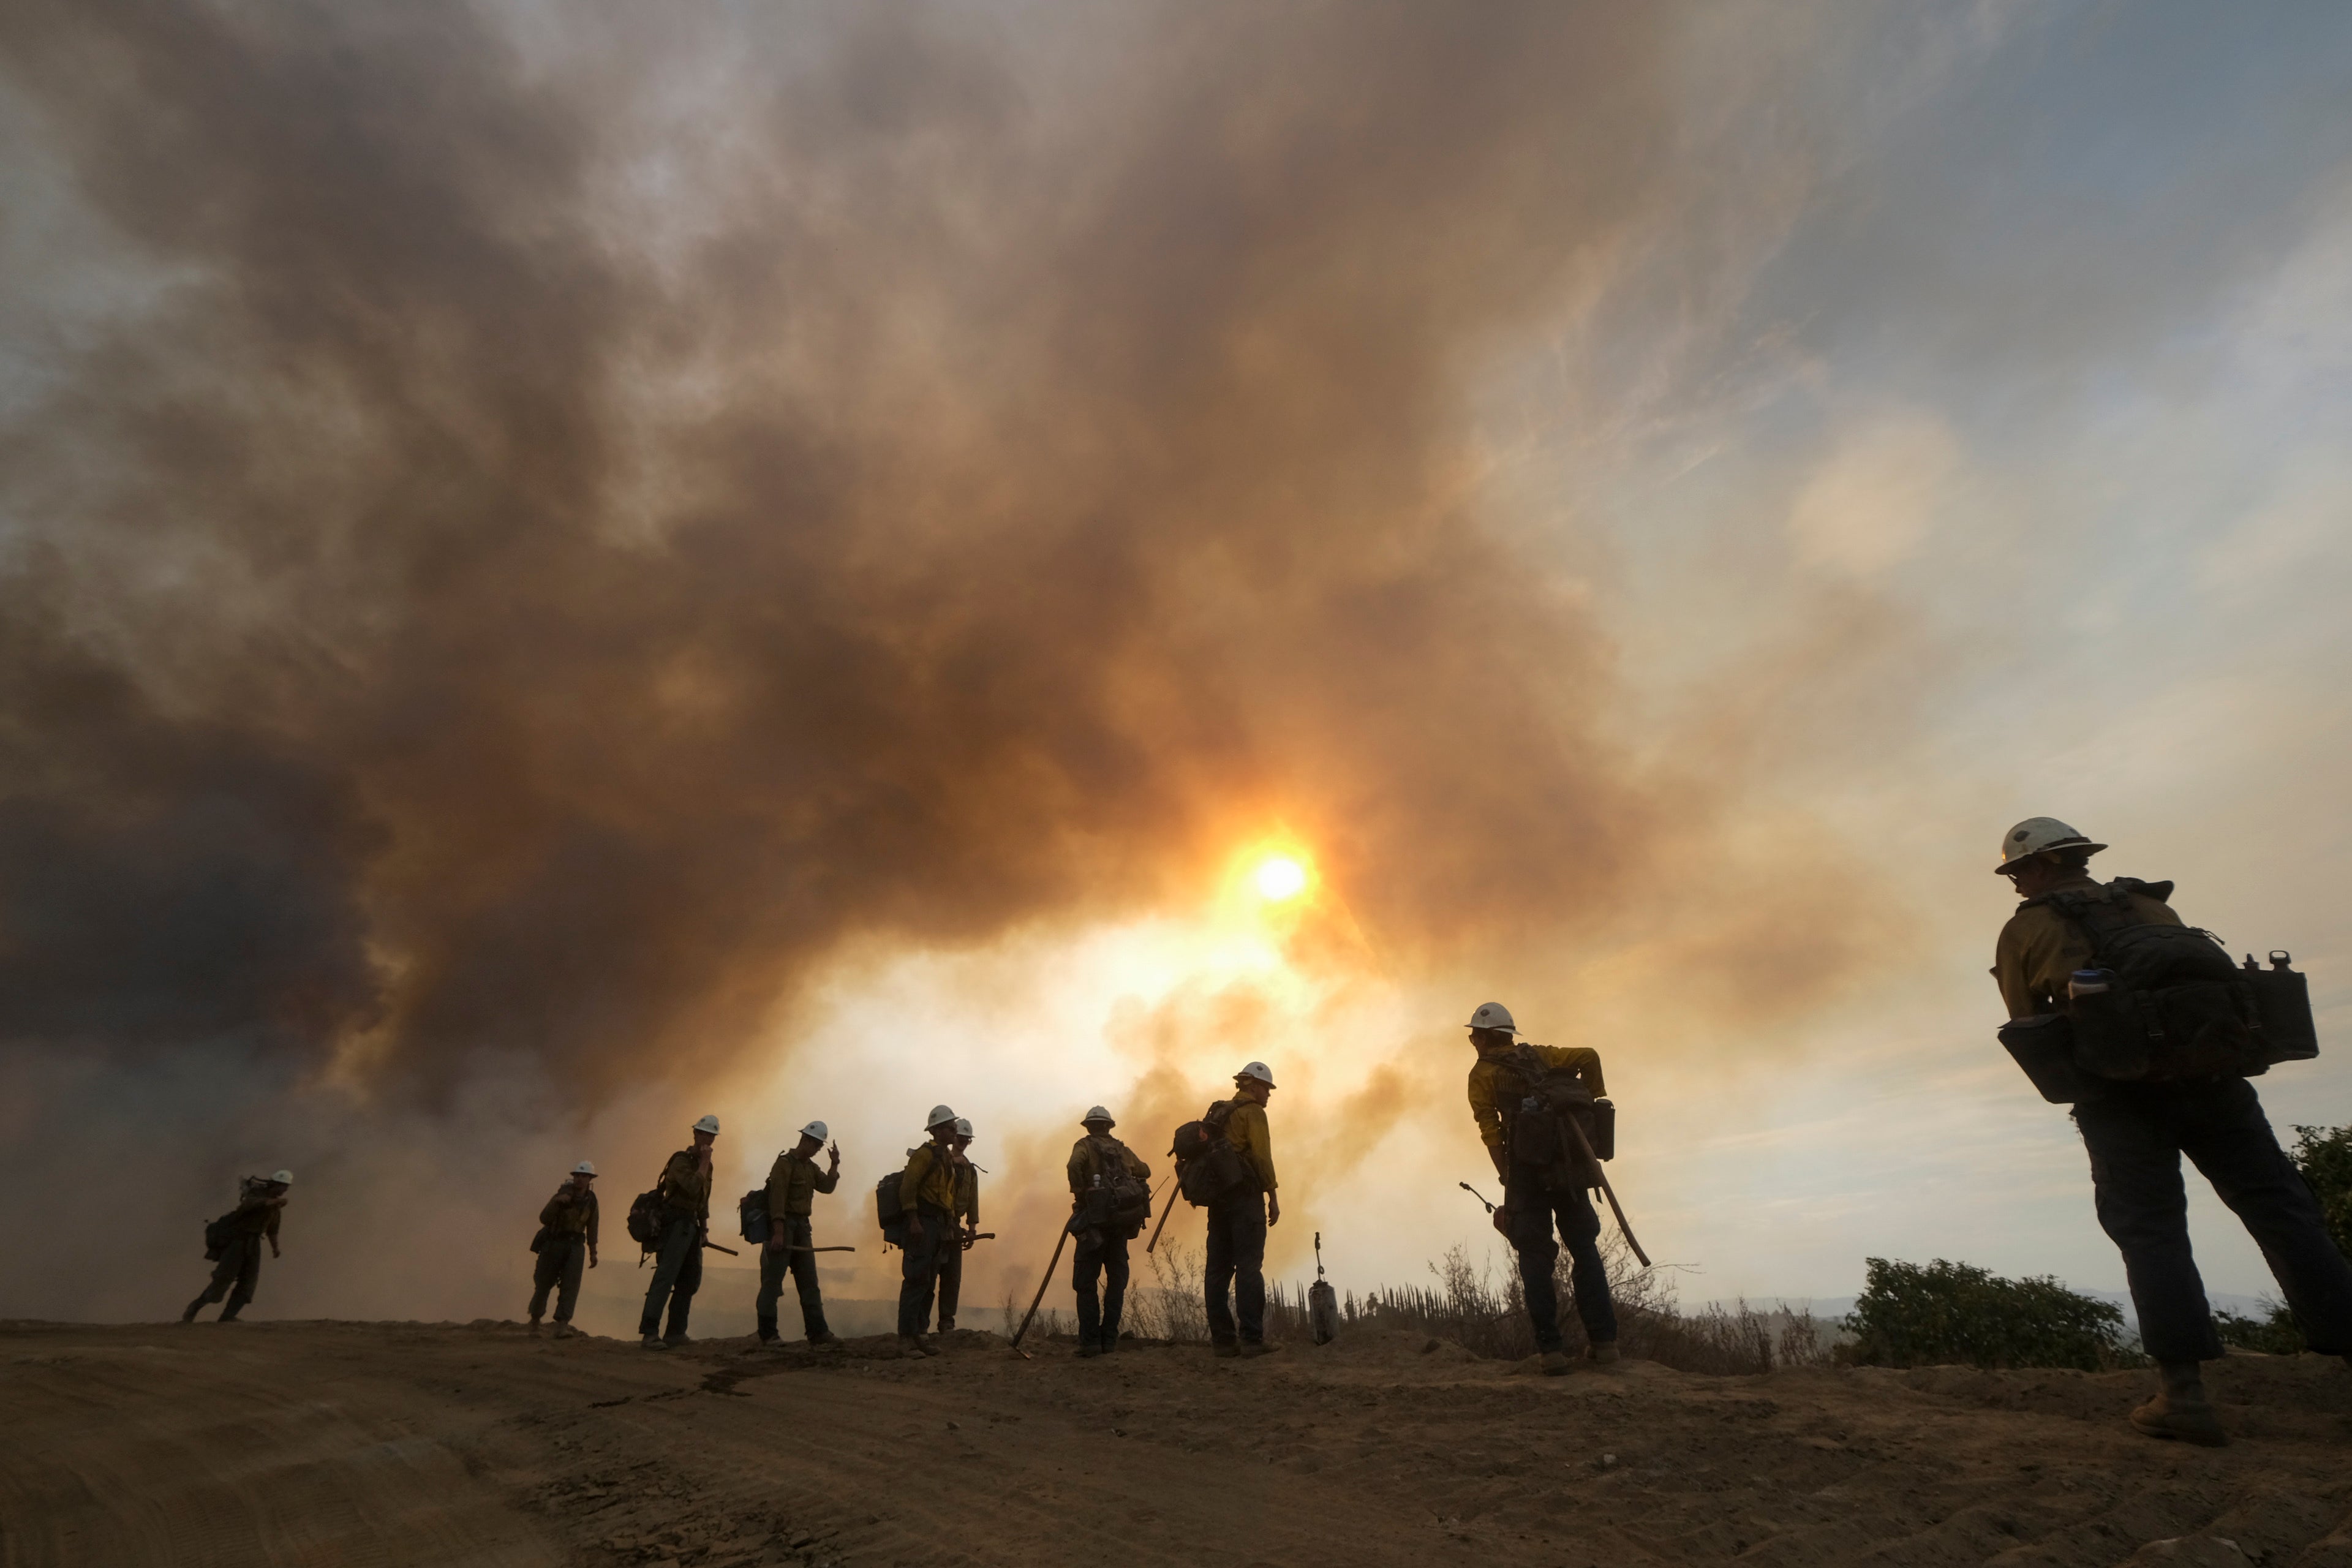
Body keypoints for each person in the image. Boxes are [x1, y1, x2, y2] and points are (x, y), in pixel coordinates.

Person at [1992, 816, 2352, 1446]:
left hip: (2122, 1100)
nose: (2017, 883)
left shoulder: (2027, 929)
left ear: (2045, 866)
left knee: (2151, 1232)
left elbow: (2028, 1023)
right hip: (2218, 1086)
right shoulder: (2153, 904)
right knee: (2286, 1214)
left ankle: (2183, 1395)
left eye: (2019, 870)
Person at [1465, 1001, 1619, 1376]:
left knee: (1535, 1258)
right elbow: (1589, 1055)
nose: (1471, 1040)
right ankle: (1605, 1346)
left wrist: (1507, 1175)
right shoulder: (1543, 1057)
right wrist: (1597, 1098)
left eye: (1474, 1035)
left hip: (1526, 1174)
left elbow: (1490, 1130)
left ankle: (1551, 1353)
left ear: (1487, 1037)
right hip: (1569, 1166)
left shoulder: (1482, 1074)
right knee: (1584, 1249)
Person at [1205, 1061, 1281, 1359]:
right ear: (1251, 1086)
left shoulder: (1219, 1113)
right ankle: (1251, 1339)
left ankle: (1223, 1342)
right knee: (1249, 1268)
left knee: (1217, 1271)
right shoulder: (1253, 1113)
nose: (1269, 1095)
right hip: (1246, 1199)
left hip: (1218, 1201)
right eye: (1266, 1088)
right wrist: (1273, 1197)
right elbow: (1262, 1157)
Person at [1067, 1105, 1150, 1358]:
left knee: (1085, 1283)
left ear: (1089, 1126)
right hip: (1118, 1227)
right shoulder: (1121, 1149)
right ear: (1109, 1126)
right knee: (1116, 1283)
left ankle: (1091, 1343)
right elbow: (1145, 1170)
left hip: (1093, 1225)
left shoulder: (1083, 1146)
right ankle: (1110, 1340)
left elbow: (1073, 1166)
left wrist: (1080, 1193)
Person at [758, 1121, 843, 1348]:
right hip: (784, 1226)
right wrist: (777, 1232)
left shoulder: (810, 1167)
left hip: (802, 1229)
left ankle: (818, 1332)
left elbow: (826, 1186)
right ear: (805, 1140)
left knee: (809, 1283)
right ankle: (768, 1334)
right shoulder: (784, 1165)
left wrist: (834, 1165)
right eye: (814, 1145)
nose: (816, 1149)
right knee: (772, 1283)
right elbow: (777, 1199)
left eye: (818, 1146)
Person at [639, 1114, 719, 1351]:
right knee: (665, 1278)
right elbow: (694, 1187)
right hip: (675, 1225)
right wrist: (704, 1162)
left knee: (689, 1281)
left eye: (712, 1135)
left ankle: (675, 1332)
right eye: (705, 1134)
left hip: (691, 1226)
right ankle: (650, 1333)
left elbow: (704, 1199)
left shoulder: (707, 1166)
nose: (709, 1139)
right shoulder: (681, 1162)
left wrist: (704, 1229)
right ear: (695, 1134)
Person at [182, 1170, 292, 1324]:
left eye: (286, 1187)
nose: (284, 1190)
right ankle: (195, 1307)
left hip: (253, 1245)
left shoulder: (275, 1206)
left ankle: (228, 1317)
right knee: (223, 1279)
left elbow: (273, 1230)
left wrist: (275, 1248)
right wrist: (271, 1202)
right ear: (275, 1184)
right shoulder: (257, 1194)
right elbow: (248, 1205)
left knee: (248, 1283)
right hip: (237, 1242)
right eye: (283, 1186)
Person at [895, 1105, 961, 1356]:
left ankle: (920, 1335)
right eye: (949, 1127)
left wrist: (952, 1224)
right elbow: (908, 1188)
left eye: (954, 1126)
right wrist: (913, 1220)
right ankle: (906, 1339)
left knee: (929, 1281)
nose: (954, 1130)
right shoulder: (924, 1155)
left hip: (938, 1225)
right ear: (936, 1130)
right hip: (922, 1223)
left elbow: (947, 1196)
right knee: (916, 1279)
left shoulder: (944, 1157)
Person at [529, 1161, 600, 1337]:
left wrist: (593, 1252)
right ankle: (535, 1321)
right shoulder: (561, 1196)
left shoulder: (591, 1200)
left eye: (584, 1176)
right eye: (577, 1176)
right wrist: (556, 1203)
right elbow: (544, 1218)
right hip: (554, 1243)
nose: (580, 1179)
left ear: (590, 1179)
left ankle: (562, 1325)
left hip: (576, 1246)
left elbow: (593, 1226)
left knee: (571, 1286)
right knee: (544, 1283)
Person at [934, 1117, 982, 1334]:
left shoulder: (971, 1170)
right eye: (960, 1138)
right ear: (953, 1137)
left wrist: (972, 1229)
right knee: (928, 1273)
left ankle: (946, 1322)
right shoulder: (940, 1161)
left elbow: (973, 1201)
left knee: (952, 1276)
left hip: (954, 1226)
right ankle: (919, 1326)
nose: (963, 1142)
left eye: (967, 1140)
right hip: (935, 1222)